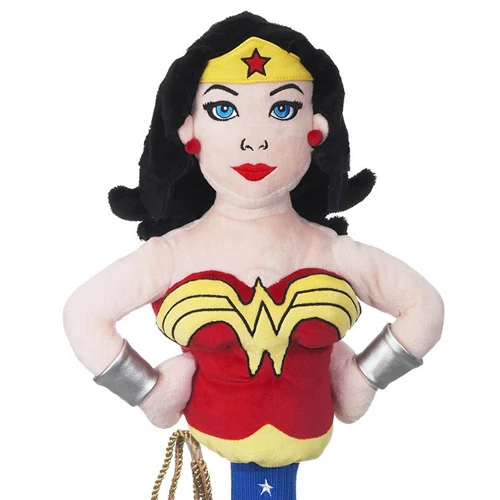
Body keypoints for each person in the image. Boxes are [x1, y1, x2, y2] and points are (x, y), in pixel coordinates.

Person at [63, 12, 444, 500]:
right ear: (189, 131)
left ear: (316, 128)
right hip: (219, 430)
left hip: (302, 429)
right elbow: (84, 313)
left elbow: (424, 307)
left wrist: (365, 377)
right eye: (224, 110)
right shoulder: (176, 252)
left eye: (282, 109)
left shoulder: (330, 251)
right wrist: (147, 392)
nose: (255, 138)